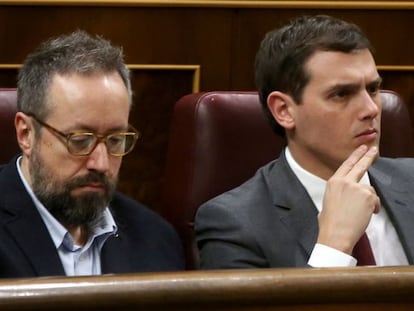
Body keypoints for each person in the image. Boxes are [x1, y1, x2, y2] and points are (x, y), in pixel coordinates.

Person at [195, 15, 414, 269]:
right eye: (341, 94)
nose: (371, 109)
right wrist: (334, 245)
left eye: (373, 89)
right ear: (284, 110)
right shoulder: (234, 224)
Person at [0, 30, 184, 278]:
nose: (101, 163)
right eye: (80, 140)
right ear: (26, 134)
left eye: (115, 140)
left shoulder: (155, 239)